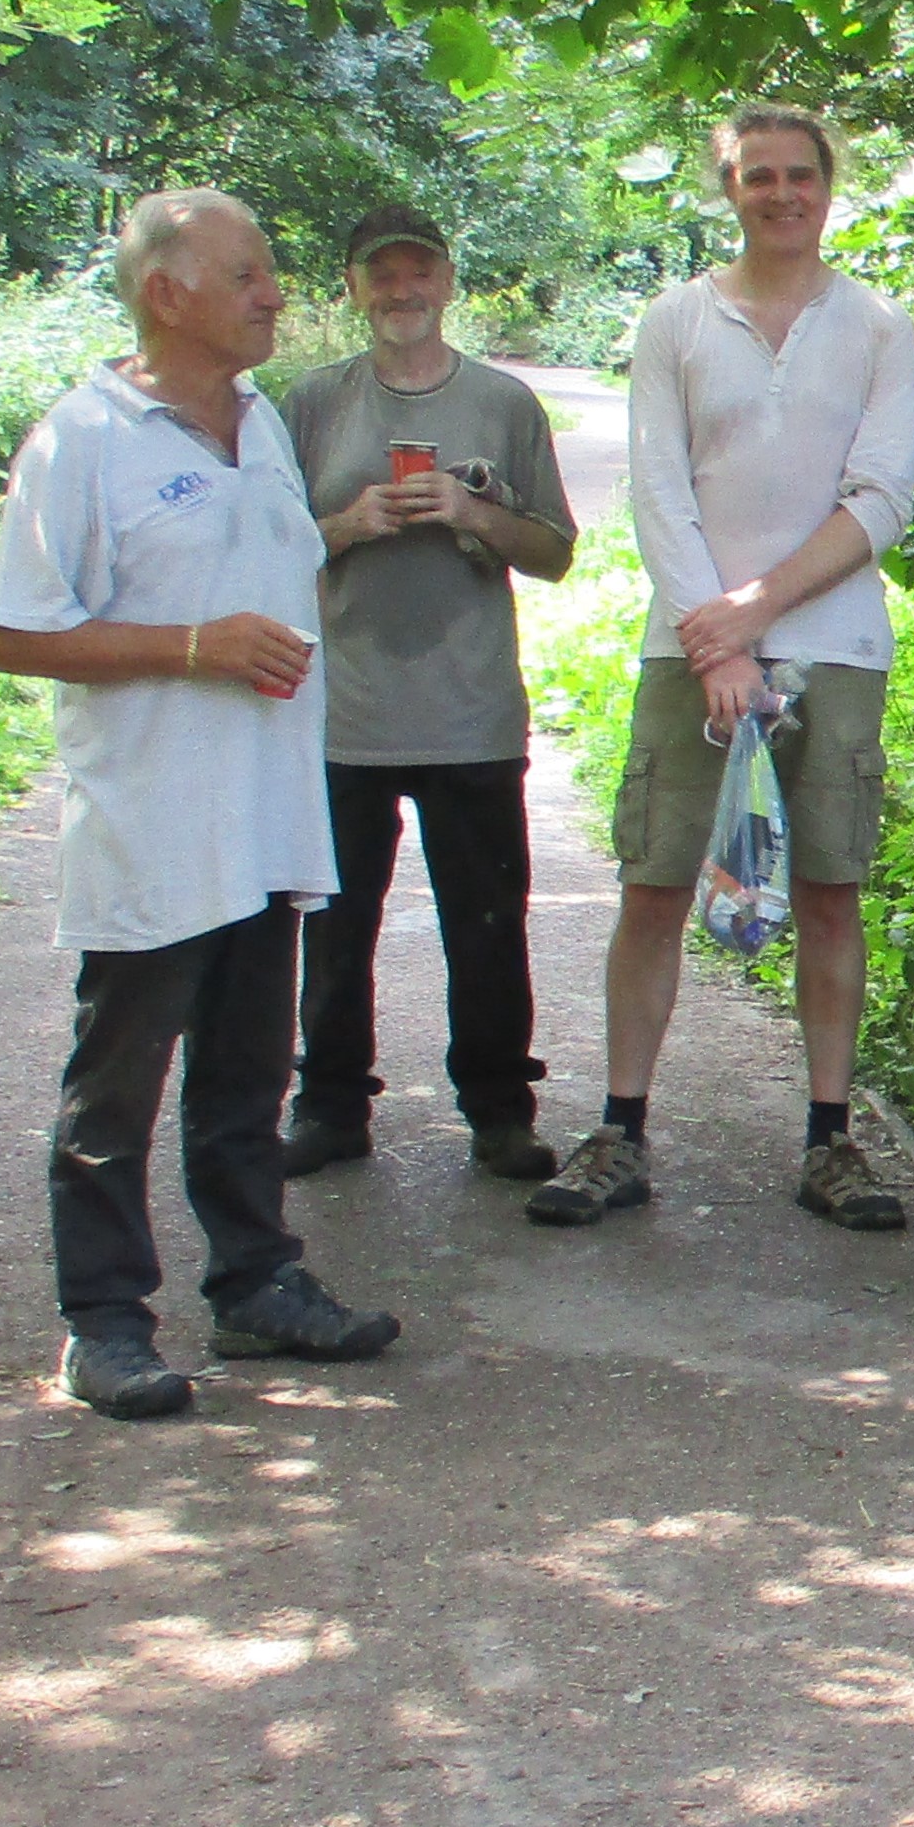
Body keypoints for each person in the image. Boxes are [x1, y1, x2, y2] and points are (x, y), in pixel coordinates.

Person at [0, 192, 401, 1417]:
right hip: (153, 818)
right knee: (119, 1079)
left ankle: (257, 1284)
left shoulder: (262, 421)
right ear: (168, 294)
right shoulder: (83, 439)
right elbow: (14, 634)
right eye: (251, 274)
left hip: (267, 813)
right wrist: (193, 645)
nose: (276, 293)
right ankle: (103, 1322)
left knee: (247, 1069)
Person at [533, 105, 914, 1235]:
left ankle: (829, 1140)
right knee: (653, 882)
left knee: (828, 890)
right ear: (730, 189)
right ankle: (618, 1129)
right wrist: (717, 640)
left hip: (835, 647)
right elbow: (657, 489)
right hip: (687, 649)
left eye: (801, 176)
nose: (783, 195)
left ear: (829, 187)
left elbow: (881, 494)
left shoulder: (877, 327)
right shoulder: (676, 321)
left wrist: (752, 614)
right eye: (760, 177)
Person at [280, 203, 578, 1186]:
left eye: (419, 273)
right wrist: (352, 522)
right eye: (381, 275)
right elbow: (266, 548)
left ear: (449, 281)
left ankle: (499, 1111)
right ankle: (328, 1106)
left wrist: (473, 512)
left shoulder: (502, 403)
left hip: (471, 711)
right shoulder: (314, 402)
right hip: (345, 712)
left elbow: (556, 554)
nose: (401, 291)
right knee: (334, 926)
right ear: (353, 287)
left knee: (488, 924)